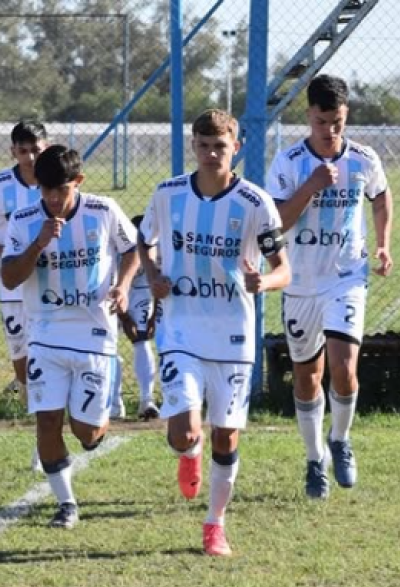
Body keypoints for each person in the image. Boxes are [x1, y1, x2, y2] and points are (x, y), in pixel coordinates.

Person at [138, 109, 290, 556]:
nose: (211, 153)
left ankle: (214, 525)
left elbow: (284, 269)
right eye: (203, 145)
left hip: (233, 336)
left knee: (226, 435)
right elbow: (144, 240)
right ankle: (190, 452)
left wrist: (264, 282)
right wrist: (153, 275)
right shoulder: (168, 194)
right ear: (193, 146)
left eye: (219, 146)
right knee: (183, 432)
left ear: (235, 148)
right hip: (181, 330)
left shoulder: (256, 203)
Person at [265, 74, 393, 499]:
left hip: (346, 278)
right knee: (308, 376)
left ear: (346, 115)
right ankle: (314, 459)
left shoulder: (363, 158)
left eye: (337, 121)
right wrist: (312, 186)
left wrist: (382, 243)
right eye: (322, 122)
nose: (330, 130)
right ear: (309, 117)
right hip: (300, 283)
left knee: (344, 366)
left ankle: (340, 439)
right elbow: (277, 222)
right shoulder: (288, 162)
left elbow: (381, 196)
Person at [0, 145, 139, 529]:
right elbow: (9, 277)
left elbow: (132, 249)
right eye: (45, 190)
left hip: (94, 334)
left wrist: (124, 286)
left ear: (78, 182)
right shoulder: (25, 220)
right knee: (47, 421)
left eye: (60, 189)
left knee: (88, 434)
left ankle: (101, 406)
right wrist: (38, 244)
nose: (52, 198)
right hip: (45, 333)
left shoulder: (103, 210)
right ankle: (66, 504)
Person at [0, 120, 47, 469]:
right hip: (12, 287)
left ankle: (43, 440)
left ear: (46, 147)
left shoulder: (57, 182)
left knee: (46, 359)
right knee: (22, 366)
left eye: (36, 150)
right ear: (12, 151)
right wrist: (6, 254)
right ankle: (36, 414)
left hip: (51, 288)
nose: (30, 157)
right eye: (23, 151)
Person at [114, 214, 161, 421]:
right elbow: (113, 285)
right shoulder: (118, 249)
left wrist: (154, 316)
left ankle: (146, 401)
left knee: (142, 340)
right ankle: (113, 404)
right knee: (107, 345)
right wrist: (124, 318)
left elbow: (161, 280)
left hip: (142, 290)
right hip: (115, 289)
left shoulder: (157, 246)